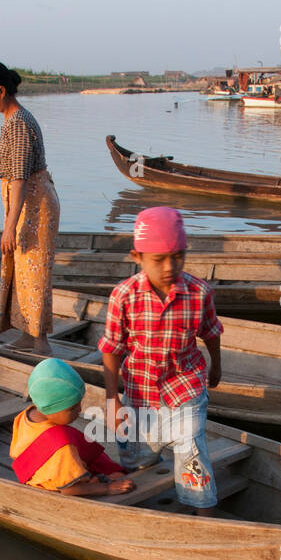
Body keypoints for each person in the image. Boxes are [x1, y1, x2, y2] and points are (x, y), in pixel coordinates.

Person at [98, 207, 222, 516]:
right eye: (158, 259)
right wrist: (112, 400)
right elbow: (112, 349)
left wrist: (217, 366)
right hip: (140, 391)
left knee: (190, 448)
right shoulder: (123, 296)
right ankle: (137, 503)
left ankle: (203, 512)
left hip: (186, 384)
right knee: (137, 453)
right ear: (136, 256)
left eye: (178, 257)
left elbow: (211, 333)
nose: (170, 266)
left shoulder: (198, 292)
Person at [0, 59, 60, 354]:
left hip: (33, 205)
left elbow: (20, 178)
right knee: (21, 270)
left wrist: (9, 227)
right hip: (26, 204)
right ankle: (28, 333)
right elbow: (12, 161)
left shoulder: (19, 122)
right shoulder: (12, 123)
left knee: (34, 272)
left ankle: (41, 342)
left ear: (0, 91)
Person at [10, 358, 134, 497]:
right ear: (51, 408)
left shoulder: (26, 415)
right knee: (117, 475)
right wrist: (108, 488)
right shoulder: (63, 447)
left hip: (35, 474)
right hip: (59, 486)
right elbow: (70, 490)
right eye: (72, 408)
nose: (79, 410)